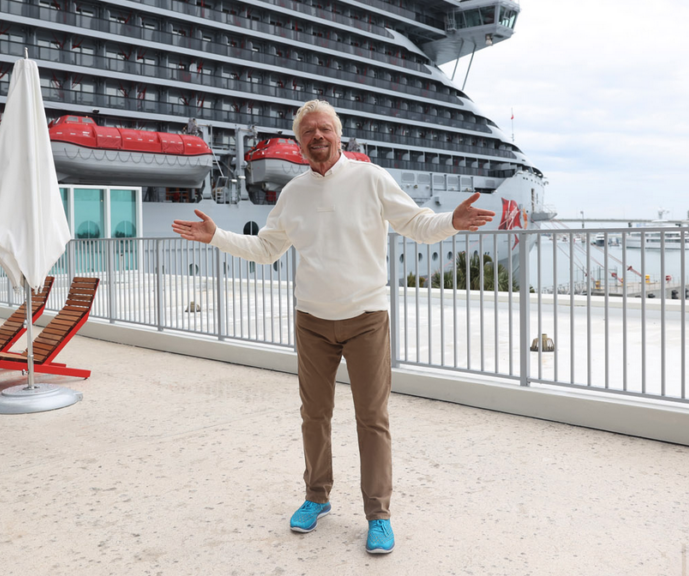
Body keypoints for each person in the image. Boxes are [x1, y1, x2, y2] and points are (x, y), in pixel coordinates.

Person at [172, 100, 494, 555]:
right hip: (313, 321)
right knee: (314, 416)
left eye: (325, 128)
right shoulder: (294, 192)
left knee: (372, 419)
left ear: (338, 134)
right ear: (299, 141)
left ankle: (378, 514)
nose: (317, 136)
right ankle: (316, 497)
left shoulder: (371, 177)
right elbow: (268, 249)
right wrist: (216, 237)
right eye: (308, 131)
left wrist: (452, 223)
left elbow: (416, 223)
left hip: (366, 317)